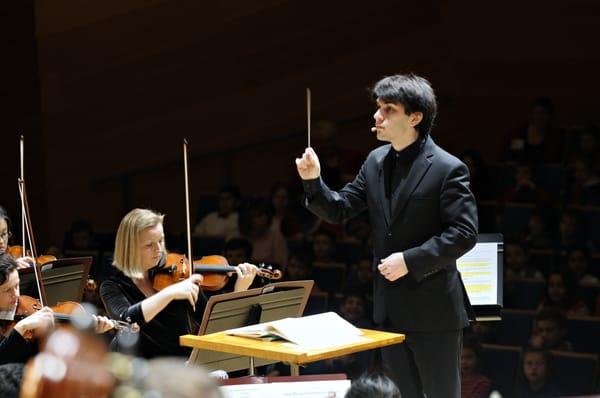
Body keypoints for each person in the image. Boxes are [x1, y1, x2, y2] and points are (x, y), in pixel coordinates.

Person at [295, 74, 478, 398]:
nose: (377, 116)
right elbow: (340, 209)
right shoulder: (375, 161)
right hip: (390, 309)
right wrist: (314, 182)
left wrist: (410, 260)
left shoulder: (448, 168)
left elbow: (464, 233)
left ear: (415, 117)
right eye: (378, 107)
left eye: (388, 109)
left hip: (434, 312)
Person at [100, 208, 258, 359]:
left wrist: (239, 290)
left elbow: (212, 326)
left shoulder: (179, 276)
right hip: (144, 370)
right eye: (149, 245)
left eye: (161, 240)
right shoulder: (113, 286)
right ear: (129, 248)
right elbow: (127, 319)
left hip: (183, 364)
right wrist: (170, 293)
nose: (159, 249)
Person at [0, 253, 113, 365]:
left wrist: (88, 333)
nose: (16, 294)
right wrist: (20, 327)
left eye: (17, 286)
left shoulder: (25, 306)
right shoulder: (21, 324)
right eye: (7, 290)